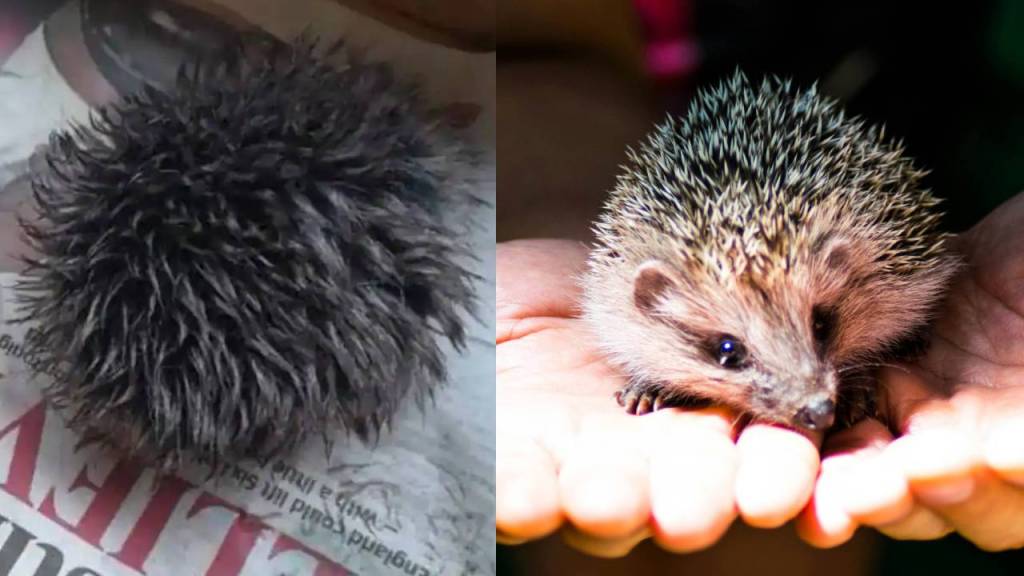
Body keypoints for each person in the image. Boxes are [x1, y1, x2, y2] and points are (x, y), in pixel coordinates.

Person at [497, 190, 1024, 556]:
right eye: (730, 353)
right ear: (651, 304)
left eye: (820, 327)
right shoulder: (627, 320)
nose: (814, 397)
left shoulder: (877, 279)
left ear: (842, 269)